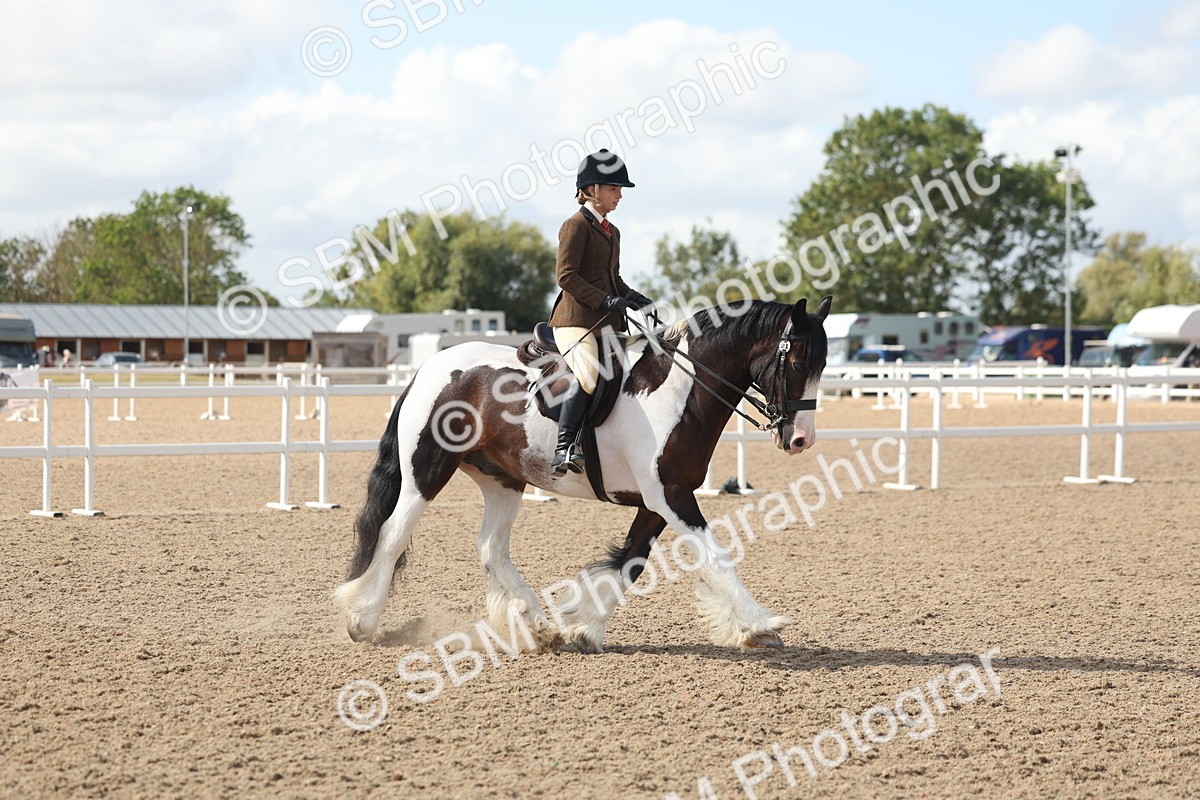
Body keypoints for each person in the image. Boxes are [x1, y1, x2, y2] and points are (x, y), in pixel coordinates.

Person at [547, 149, 653, 475]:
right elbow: (566, 276)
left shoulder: (612, 232)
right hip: (575, 321)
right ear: (592, 189)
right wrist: (606, 301)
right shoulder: (574, 226)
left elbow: (613, 279)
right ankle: (564, 448)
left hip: (604, 323)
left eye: (620, 190)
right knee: (589, 373)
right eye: (613, 189)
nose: (619, 196)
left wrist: (637, 299)